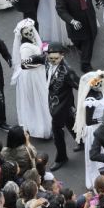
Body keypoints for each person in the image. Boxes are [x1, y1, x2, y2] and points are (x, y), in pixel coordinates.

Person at [55, 0, 104, 73]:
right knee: (79, 43)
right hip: (75, 25)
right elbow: (61, 10)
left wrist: (100, 0)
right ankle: (82, 51)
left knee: (89, 42)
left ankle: (85, 65)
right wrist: (72, 21)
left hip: (90, 21)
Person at [10, 18, 51, 140]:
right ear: (22, 35)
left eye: (31, 31)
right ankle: (42, 126)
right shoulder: (25, 48)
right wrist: (43, 61)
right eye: (26, 33)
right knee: (39, 99)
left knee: (44, 96)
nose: (31, 34)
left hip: (38, 73)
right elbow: (25, 64)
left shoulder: (33, 40)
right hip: (32, 76)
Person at [44, 42, 81, 171]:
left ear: (62, 56)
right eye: (51, 58)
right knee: (70, 122)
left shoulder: (67, 71)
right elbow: (39, 58)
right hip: (56, 103)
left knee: (57, 132)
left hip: (62, 106)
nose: (53, 61)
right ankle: (81, 141)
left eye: (56, 59)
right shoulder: (47, 61)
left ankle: (61, 157)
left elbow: (80, 86)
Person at [73, 71, 104, 189]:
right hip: (95, 132)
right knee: (98, 157)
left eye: (100, 82)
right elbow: (89, 121)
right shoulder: (90, 100)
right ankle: (101, 182)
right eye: (96, 83)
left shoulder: (101, 93)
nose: (99, 84)